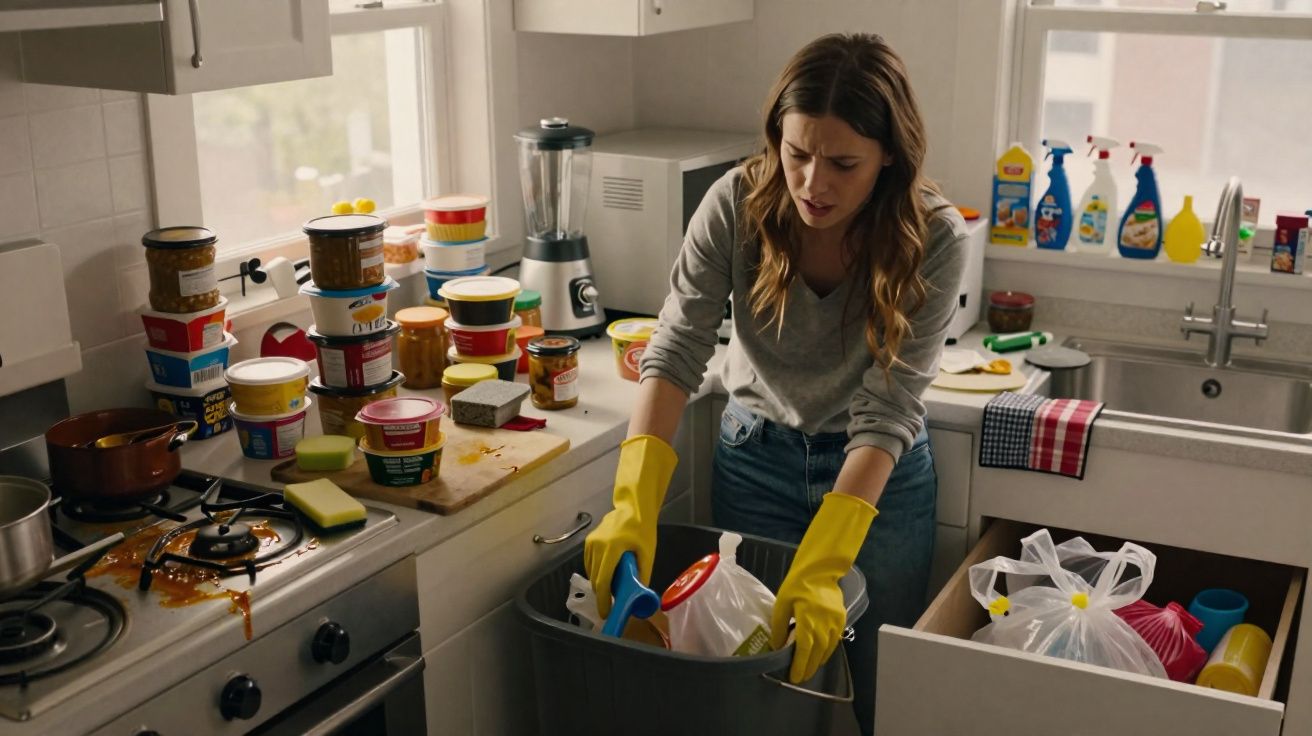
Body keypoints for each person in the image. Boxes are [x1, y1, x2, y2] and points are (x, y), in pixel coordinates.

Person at [584, 32, 967, 735]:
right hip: (755, 464)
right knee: (758, 697)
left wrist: (827, 561)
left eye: (843, 163)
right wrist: (632, 500)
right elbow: (675, 348)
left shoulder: (933, 238)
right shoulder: (737, 205)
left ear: (889, 156)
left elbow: (889, 408)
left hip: (878, 492)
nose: (813, 183)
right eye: (796, 154)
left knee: (874, 693)